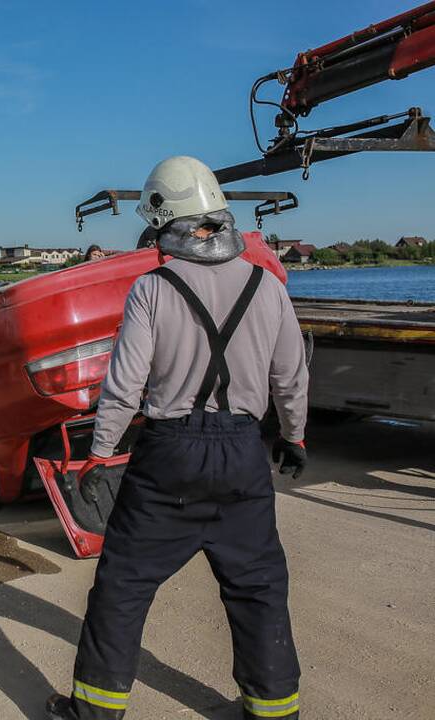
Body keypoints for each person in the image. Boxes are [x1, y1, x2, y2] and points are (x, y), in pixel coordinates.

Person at [47, 156, 309, 720]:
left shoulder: (151, 289)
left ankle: (94, 712)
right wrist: (295, 437)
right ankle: (274, 711)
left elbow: (124, 383)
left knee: (123, 585)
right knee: (258, 588)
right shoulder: (268, 285)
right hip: (243, 452)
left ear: (167, 223)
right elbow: (291, 376)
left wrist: (99, 454)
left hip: (170, 454)